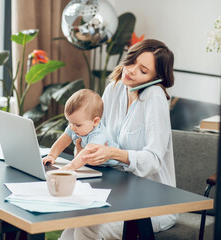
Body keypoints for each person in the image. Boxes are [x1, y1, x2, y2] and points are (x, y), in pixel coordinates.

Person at [59, 39, 177, 240]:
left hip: (151, 202)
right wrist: (85, 148)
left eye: (143, 70)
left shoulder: (155, 98)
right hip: (115, 192)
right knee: (72, 226)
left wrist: (113, 153)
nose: (131, 70)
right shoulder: (114, 88)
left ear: (156, 77)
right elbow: (97, 132)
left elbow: (154, 160)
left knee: (88, 229)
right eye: (131, 62)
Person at [42, 89, 119, 170]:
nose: (72, 127)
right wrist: (51, 156)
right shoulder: (75, 126)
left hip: (113, 167)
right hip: (92, 165)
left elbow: (86, 153)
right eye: (69, 122)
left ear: (95, 122)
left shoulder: (99, 135)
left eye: (78, 125)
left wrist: (70, 167)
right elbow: (62, 141)